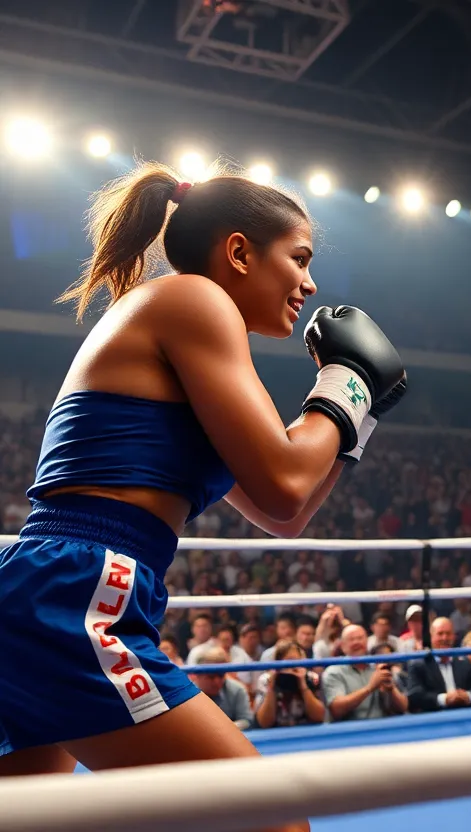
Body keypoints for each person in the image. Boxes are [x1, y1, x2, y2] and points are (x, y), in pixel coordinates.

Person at [0, 162, 407, 827]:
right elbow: (283, 481)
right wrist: (346, 384)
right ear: (239, 252)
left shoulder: (188, 334)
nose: (310, 283)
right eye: (298, 258)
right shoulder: (194, 299)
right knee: (274, 819)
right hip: (75, 593)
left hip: (50, 590)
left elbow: (288, 511)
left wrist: (354, 412)